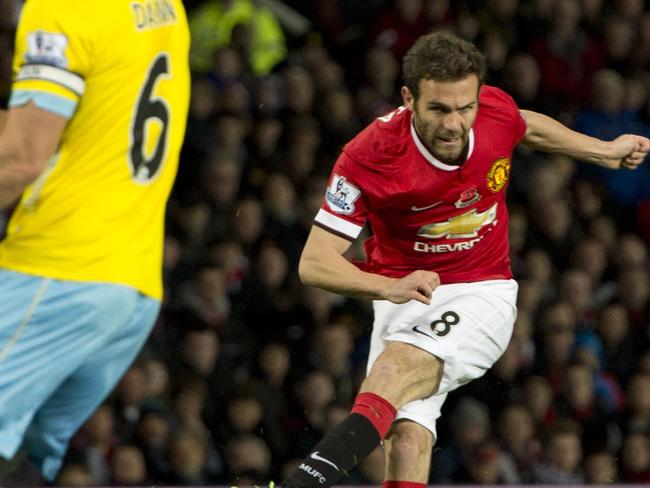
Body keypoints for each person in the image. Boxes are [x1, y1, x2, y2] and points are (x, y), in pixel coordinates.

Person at [282, 31, 649, 488]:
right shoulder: (368, 157)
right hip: (401, 296)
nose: (454, 123)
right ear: (408, 98)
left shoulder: (492, 110)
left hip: (482, 291)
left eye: (465, 108)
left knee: (393, 372)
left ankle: (306, 481)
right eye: (438, 109)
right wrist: (386, 287)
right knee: (406, 438)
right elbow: (313, 263)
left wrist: (603, 150)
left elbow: (525, 124)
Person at [0, 0, 189, 482]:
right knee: (24, 463)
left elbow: (21, 159)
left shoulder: (61, 10)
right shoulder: (167, 8)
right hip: (131, 285)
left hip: (55, 272)